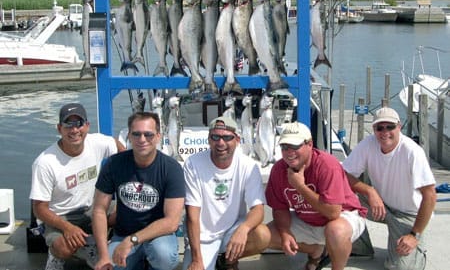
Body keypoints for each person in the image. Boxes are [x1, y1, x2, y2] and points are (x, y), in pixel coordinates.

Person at [29, 102, 125, 270]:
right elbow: (39, 208)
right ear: (59, 128)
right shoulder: (45, 162)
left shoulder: (96, 142)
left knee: (129, 209)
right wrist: (67, 228)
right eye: (68, 124)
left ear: (87, 126)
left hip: (92, 208)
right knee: (64, 247)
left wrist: (128, 169)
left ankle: (101, 244)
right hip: (60, 216)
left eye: (79, 124)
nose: (74, 130)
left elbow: (116, 145)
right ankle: (57, 256)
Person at [342, 107, 437, 270]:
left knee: (400, 267)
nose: (384, 132)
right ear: (374, 130)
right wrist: (370, 191)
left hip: (409, 215)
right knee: (341, 196)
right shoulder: (367, 144)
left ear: (399, 127)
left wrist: (414, 235)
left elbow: (430, 196)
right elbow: (343, 174)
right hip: (381, 205)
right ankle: (360, 247)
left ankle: (417, 248)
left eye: (390, 127)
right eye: (380, 128)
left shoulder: (412, 152)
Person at [265, 121, 367, 270]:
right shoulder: (278, 169)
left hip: (344, 216)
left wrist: (300, 186)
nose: (289, 152)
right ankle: (315, 251)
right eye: (284, 147)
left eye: (295, 146)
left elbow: (333, 213)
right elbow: (279, 208)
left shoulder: (327, 165)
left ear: (310, 144)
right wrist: (285, 232)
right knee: (262, 235)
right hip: (308, 219)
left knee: (335, 231)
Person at [92, 111, 185, 270]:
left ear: (158, 136)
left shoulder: (172, 168)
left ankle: (148, 262)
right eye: (136, 134)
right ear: (129, 136)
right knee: (111, 267)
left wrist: (132, 240)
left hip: (158, 236)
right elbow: (99, 210)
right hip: (123, 234)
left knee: (164, 257)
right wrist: (104, 256)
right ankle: (138, 261)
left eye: (148, 134)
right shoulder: (113, 164)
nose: (142, 140)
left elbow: (171, 222)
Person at [182, 116, 270, 270]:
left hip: (232, 231)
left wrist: (243, 229)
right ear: (209, 139)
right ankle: (211, 258)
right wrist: (196, 259)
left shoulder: (249, 166)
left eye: (227, 137)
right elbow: (192, 215)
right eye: (215, 137)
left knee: (263, 235)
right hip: (202, 237)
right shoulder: (192, 164)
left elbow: (258, 209)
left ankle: (227, 261)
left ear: (237, 139)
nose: (220, 143)